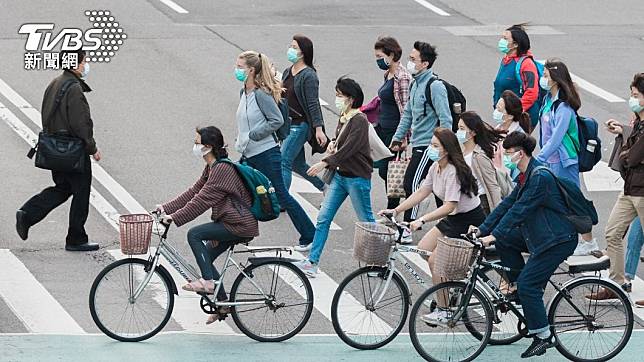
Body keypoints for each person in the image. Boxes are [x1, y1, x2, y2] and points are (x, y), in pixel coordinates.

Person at [472, 131, 578, 358]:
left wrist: (494, 235)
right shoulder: (526, 175)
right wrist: (483, 229)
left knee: (529, 286)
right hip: (540, 234)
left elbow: (520, 211)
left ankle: (543, 336)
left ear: (520, 154)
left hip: (556, 240)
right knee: (506, 242)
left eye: (508, 153)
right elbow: (506, 205)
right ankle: (519, 288)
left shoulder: (539, 177)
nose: (505, 157)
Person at [157, 126, 258, 324]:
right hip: (231, 221)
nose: (194, 146)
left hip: (239, 224)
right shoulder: (212, 166)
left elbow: (201, 201)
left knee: (194, 234)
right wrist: (165, 208)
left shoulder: (221, 170)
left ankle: (208, 283)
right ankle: (222, 304)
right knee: (207, 258)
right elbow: (194, 191)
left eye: (197, 143)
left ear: (208, 147)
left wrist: (174, 218)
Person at [380, 127, 485, 290]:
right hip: (454, 218)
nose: (431, 148)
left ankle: (443, 309)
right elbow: (422, 191)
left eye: (436, 146)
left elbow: (450, 206)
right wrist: (396, 210)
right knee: (423, 249)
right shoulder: (436, 166)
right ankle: (452, 285)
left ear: (447, 150)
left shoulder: (453, 171)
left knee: (435, 262)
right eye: (431, 144)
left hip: (468, 220)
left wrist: (421, 219)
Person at [16, 50, 101, 251]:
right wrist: (92, 148)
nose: (85, 65)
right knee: (81, 192)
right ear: (74, 64)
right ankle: (76, 238)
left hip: (56, 150)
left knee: (63, 188)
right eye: (83, 61)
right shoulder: (73, 89)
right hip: (73, 151)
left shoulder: (55, 83)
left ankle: (28, 214)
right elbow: (81, 124)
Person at [233, 50, 316, 250]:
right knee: (242, 193)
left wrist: (255, 134)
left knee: (280, 195)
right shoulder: (244, 91)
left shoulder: (261, 94)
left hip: (266, 153)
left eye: (240, 67)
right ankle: (242, 233)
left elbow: (276, 120)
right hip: (249, 153)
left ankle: (309, 235)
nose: (236, 70)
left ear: (252, 70)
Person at [294, 78, 375, 276]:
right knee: (323, 218)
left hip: (356, 178)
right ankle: (312, 261)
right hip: (340, 177)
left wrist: (324, 162)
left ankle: (378, 260)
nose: (337, 99)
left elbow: (349, 149)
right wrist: (332, 144)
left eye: (340, 96)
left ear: (351, 98)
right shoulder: (345, 116)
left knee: (367, 221)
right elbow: (341, 143)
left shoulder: (359, 120)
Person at [588, 73, 644, 303]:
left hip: (641, 190)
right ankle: (617, 284)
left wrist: (627, 154)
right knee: (612, 232)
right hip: (631, 188)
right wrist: (624, 131)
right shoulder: (638, 122)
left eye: (636, 95)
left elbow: (633, 157)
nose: (632, 99)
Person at [536, 58, 599, 255]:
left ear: (555, 79)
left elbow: (556, 138)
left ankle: (589, 242)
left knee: (573, 199)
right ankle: (563, 237)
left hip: (564, 162)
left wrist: (539, 157)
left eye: (546, 76)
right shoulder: (548, 101)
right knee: (555, 200)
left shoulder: (563, 107)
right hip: (550, 160)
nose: (542, 79)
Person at [390, 41, 453, 227]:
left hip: (430, 145)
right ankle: (448, 223)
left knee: (413, 183)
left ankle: (409, 224)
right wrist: (397, 137)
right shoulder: (415, 84)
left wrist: (442, 146)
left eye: (413, 59)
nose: (409, 62)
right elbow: (408, 114)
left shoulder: (435, 86)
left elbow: (446, 119)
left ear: (425, 63)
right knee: (435, 187)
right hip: (418, 143)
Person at [280, 34, 328, 192]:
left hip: (300, 125)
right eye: (291, 46)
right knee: (297, 164)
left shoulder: (309, 75)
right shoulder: (288, 71)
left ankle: (283, 200)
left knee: (283, 160)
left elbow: (313, 103)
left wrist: (319, 129)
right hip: (287, 124)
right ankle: (324, 188)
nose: (290, 50)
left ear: (303, 52)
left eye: (294, 48)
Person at [371, 36, 412, 210]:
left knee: (389, 171)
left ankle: (394, 209)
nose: (378, 61)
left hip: (394, 131)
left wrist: (403, 136)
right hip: (382, 128)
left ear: (391, 55)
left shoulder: (402, 77)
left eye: (380, 57)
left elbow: (406, 108)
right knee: (383, 169)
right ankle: (409, 199)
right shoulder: (388, 74)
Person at [493, 24, 542, 128]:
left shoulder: (526, 64)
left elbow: (531, 93)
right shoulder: (506, 60)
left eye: (505, 38)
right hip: (505, 115)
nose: (501, 41)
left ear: (515, 44)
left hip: (518, 117)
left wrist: (515, 113)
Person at [457, 111, 504, 214]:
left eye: (462, 129)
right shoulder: (461, 153)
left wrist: (497, 215)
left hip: (480, 205)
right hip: (465, 203)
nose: (458, 132)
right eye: (458, 128)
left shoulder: (479, 156)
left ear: (473, 133)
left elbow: (493, 186)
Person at [492, 90, 531, 178]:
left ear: (510, 116)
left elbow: (512, 169)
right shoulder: (499, 128)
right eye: (496, 107)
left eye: (499, 110)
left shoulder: (518, 138)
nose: (496, 112)